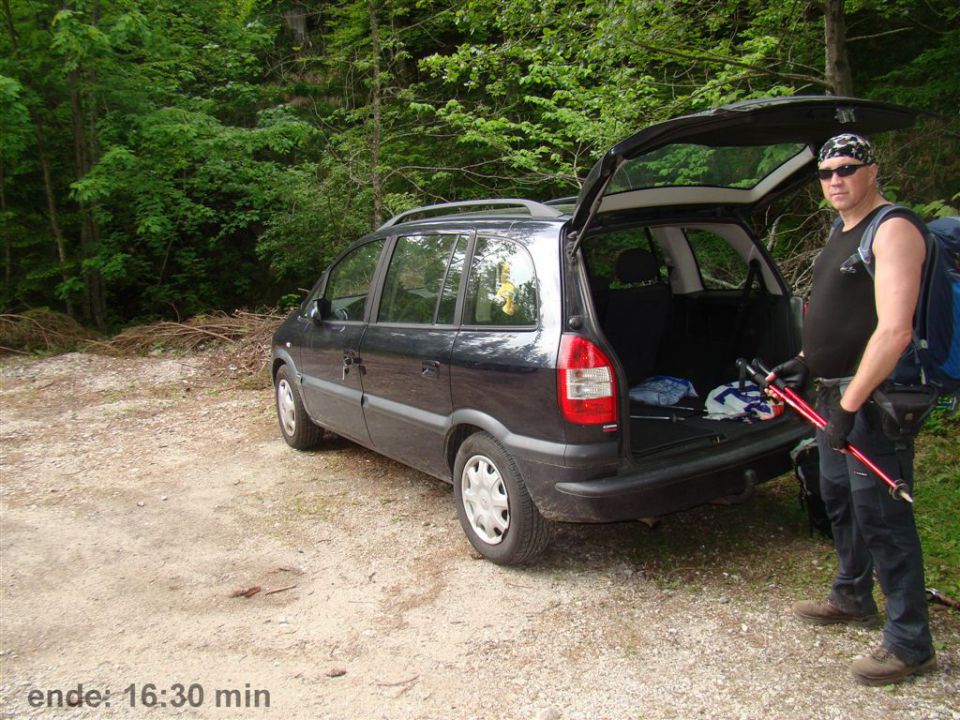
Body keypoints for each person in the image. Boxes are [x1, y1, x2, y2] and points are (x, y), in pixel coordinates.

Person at [769, 133, 936, 686]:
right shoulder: (840, 233)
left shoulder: (893, 229)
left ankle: (910, 642)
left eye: (846, 167)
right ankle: (851, 595)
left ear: (872, 170)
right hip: (833, 391)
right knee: (839, 497)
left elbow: (893, 330)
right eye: (825, 172)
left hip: (874, 399)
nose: (835, 179)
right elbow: (841, 317)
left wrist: (848, 404)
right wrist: (802, 361)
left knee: (884, 517)